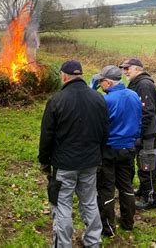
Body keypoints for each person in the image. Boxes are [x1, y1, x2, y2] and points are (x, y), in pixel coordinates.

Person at [39, 60, 108, 248]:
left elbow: (47, 135)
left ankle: (63, 245)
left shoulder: (56, 100)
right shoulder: (98, 98)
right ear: (81, 75)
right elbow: (104, 132)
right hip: (90, 162)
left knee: (62, 205)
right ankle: (93, 242)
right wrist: (98, 156)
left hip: (64, 164)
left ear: (64, 75)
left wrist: (44, 161)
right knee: (89, 201)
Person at [92, 65, 142, 237]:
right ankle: (128, 222)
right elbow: (139, 120)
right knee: (126, 186)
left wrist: (92, 90)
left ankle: (108, 228)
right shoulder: (134, 95)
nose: (100, 84)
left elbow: (97, 126)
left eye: (101, 81)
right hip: (129, 148)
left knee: (106, 188)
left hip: (109, 149)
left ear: (107, 82)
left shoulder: (106, 101)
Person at [119, 58, 156, 210]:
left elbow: (147, 112)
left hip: (150, 133)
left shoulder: (144, 84)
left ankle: (152, 199)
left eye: (128, 68)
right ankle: (143, 190)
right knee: (142, 162)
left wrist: (137, 133)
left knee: (148, 165)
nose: (125, 71)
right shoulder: (136, 83)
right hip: (144, 132)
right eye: (123, 69)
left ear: (138, 69)